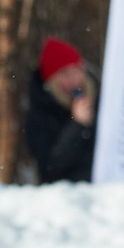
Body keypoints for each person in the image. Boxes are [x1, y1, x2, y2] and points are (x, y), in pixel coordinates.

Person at [27, 35, 97, 183]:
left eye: (76, 70)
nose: (74, 79)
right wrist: (77, 126)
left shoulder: (98, 99)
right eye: (65, 73)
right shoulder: (41, 113)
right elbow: (50, 167)